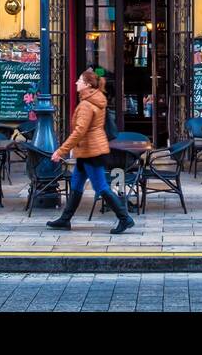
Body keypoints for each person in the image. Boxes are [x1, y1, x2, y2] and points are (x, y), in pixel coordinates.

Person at [46, 69, 135, 234]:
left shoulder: (87, 105)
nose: (76, 83)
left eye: (79, 80)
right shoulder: (95, 99)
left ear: (87, 84)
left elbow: (79, 131)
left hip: (92, 152)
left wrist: (61, 151)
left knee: (101, 187)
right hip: (87, 150)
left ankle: (125, 218)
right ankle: (65, 220)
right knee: (77, 184)